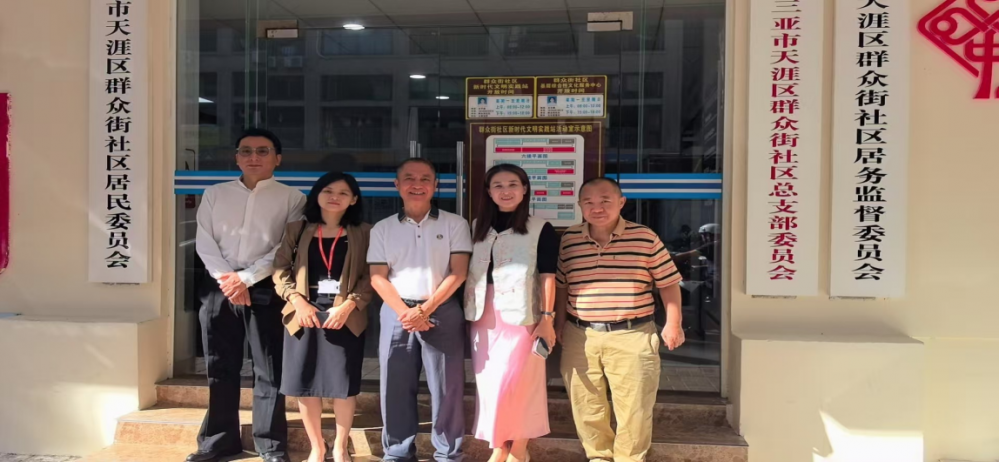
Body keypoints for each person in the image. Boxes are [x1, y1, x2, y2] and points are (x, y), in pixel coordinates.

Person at [190, 128, 306, 462]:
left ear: (277, 158)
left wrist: (247, 278)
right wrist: (229, 281)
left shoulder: (293, 198)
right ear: (236, 157)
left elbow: (284, 247)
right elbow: (204, 242)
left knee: (268, 369)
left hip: (266, 287)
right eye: (246, 151)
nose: (254, 157)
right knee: (219, 365)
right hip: (219, 288)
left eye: (262, 151)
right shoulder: (215, 194)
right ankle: (218, 442)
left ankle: (270, 445)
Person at [554, 177, 684, 462]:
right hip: (580, 334)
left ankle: (630, 458)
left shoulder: (644, 237)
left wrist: (673, 323)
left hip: (632, 333)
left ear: (621, 202)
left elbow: (668, 282)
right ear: (579, 205)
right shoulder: (570, 239)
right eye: (589, 202)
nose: (597, 208)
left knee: (634, 407)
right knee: (586, 404)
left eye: (605, 201)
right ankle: (598, 456)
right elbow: (562, 285)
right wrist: (559, 323)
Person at [367, 158, 472, 462]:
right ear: (397, 185)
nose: (417, 184)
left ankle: (448, 453)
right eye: (409, 178)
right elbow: (377, 277)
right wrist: (406, 312)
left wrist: (425, 309)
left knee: (447, 387)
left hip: (441, 310)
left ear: (435, 185)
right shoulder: (383, 228)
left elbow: (459, 272)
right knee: (395, 385)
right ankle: (397, 451)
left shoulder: (455, 224)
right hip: (396, 312)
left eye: (425, 178)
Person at [272, 172, 373, 462]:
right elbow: (280, 270)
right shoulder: (297, 229)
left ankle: (340, 447)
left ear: (353, 200)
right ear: (317, 194)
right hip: (304, 311)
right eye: (328, 191)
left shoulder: (365, 232)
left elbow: (372, 275)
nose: (334, 197)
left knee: (343, 385)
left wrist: (349, 305)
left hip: (345, 313)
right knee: (305, 384)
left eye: (343, 193)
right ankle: (317, 447)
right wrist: (297, 302)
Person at [464, 164, 558, 462]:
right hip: (482, 315)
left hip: (523, 315)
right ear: (489, 192)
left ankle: (519, 447)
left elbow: (548, 276)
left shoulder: (540, 228)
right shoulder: (476, 226)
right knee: (490, 383)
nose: (506, 191)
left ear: (525, 189)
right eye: (498, 185)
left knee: (521, 381)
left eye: (513, 184)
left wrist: (547, 318)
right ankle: (498, 445)